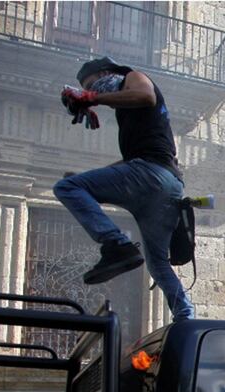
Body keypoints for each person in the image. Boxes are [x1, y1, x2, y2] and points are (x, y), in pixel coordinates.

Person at [53, 56, 193, 321]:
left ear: (106, 72)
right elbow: (132, 163)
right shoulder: (128, 115)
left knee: (67, 187)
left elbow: (146, 96)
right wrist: (91, 175)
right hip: (164, 185)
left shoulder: (134, 77)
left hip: (151, 177)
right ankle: (185, 317)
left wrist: (92, 98)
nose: (91, 91)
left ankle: (116, 243)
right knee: (158, 263)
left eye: (91, 84)